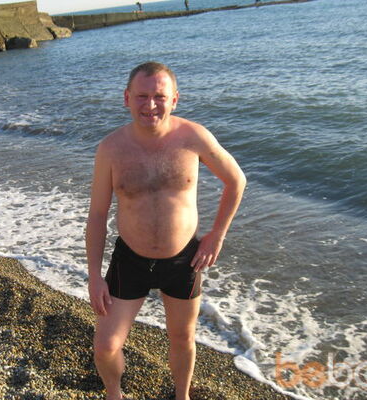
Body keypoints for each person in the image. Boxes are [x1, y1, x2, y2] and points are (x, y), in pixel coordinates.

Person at [85, 62, 246, 400]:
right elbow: (97, 215)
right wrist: (94, 276)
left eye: (159, 96)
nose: (150, 105)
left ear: (174, 99)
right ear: (126, 98)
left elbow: (236, 180)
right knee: (105, 346)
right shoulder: (111, 149)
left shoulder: (193, 137)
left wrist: (217, 234)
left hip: (183, 260)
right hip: (130, 260)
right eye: (141, 96)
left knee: (182, 338)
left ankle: (181, 395)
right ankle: (114, 394)